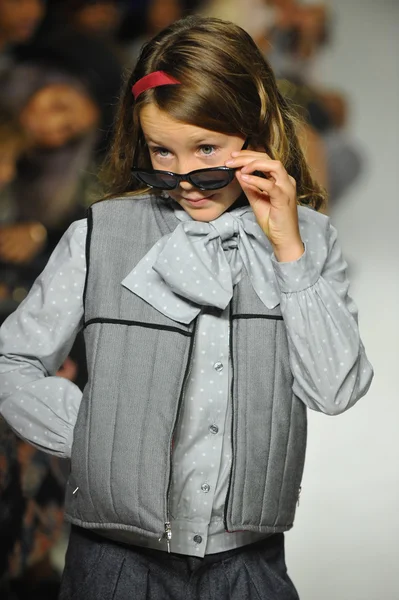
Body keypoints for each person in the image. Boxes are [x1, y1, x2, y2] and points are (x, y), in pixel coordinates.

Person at [0, 15, 373, 599]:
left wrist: (290, 254)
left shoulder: (310, 241)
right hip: (114, 560)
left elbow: (336, 388)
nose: (184, 177)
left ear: (253, 128)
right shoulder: (101, 235)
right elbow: (10, 362)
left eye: (206, 148)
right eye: (161, 152)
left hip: (247, 561)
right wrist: (96, 436)